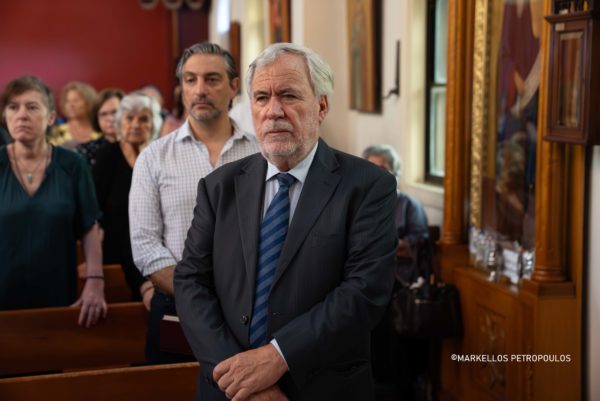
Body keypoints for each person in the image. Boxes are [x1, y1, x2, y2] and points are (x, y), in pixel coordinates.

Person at [174, 43, 398, 401]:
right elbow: (191, 282)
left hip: (322, 388)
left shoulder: (368, 186)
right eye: (262, 98)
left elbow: (364, 291)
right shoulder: (219, 187)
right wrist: (243, 379)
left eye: (289, 96)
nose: (273, 111)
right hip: (229, 389)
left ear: (321, 106)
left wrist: (278, 357)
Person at [129, 43, 259, 364]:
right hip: (178, 305)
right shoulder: (154, 157)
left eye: (212, 79)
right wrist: (197, 294)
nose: (200, 90)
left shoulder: (261, 153)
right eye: (190, 80)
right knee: (173, 386)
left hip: (253, 306)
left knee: (246, 386)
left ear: (233, 86)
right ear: (181, 88)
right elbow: (145, 245)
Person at [0, 75, 106, 327]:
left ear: (50, 117)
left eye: (32, 107)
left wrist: (95, 281)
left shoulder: (73, 164)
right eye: (13, 107)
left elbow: (89, 225)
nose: (21, 115)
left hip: (58, 291)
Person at [363, 144, 430, 400]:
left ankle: (394, 388)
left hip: (400, 284)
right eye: (372, 168)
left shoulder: (409, 205)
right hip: (366, 281)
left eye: (383, 168)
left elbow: (417, 245)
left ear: (396, 173)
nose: (377, 174)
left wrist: (383, 245)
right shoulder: (362, 204)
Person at [93, 92, 161, 307]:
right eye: (129, 118)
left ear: (154, 124)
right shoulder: (107, 156)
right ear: (119, 123)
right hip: (116, 251)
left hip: (157, 251)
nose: (135, 125)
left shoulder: (160, 156)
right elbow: (94, 211)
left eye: (143, 119)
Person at [78, 88, 125, 166]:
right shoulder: (85, 150)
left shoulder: (139, 147)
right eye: (103, 114)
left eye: (115, 112)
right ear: (96, 119)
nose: (110, 118)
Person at [48, 81, 101, 150]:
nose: (71, 105)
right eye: (67, 101)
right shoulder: (56, 130)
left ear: (89, 102)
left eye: (76, 100)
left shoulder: (101, 129)